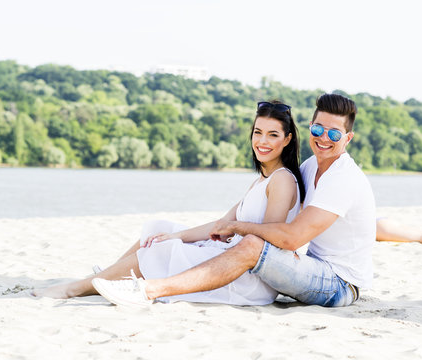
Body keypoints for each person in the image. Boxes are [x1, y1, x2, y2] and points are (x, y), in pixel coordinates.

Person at [92, 93, 376, 308]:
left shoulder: (342, 178)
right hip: (310, 266)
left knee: (252, 242)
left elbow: (290, 239)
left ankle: (149, 290)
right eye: (318, 129)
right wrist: (183, 234)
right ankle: (108, 277)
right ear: (310, 127)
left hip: (339, 284)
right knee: (162, 231)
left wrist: (240, 228)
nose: (324, 138)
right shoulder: (309, 168)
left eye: (334, 133)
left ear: (348, 138)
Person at [33, 100, 306, 305]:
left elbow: (270, 240)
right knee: (158, 231)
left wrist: (234, 228)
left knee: (162, 251)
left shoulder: (282, 180)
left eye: (273, 135)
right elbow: (220, 224)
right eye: (258, 132)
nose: (262, 141)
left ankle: (76, 288)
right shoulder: (262, 180)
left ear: (287, 139)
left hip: (246, 277)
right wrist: (175, 235)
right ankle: (105, 278)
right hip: (231, 258)